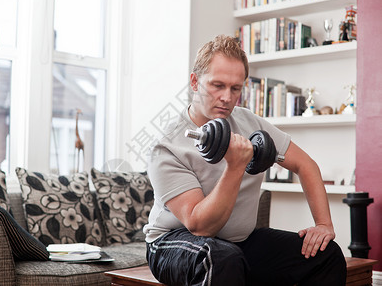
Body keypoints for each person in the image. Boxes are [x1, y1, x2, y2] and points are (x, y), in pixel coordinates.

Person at [143, 34, 346, 285]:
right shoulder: (167, 147)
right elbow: (200, 226)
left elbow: (306, 165)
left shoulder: (249, 122)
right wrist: (236, 165)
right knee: (219, 258)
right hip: (173, 242)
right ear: (195, 82)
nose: (227, 97)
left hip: (239, 243)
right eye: (217, 85)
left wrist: (324, 224)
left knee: (326, 255)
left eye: (235, 88)